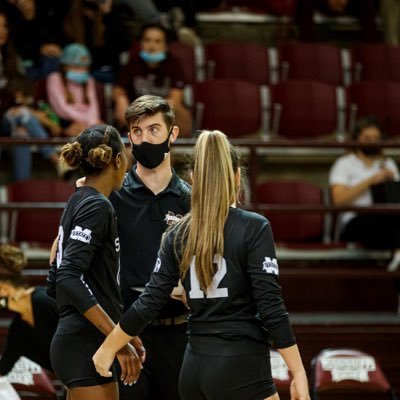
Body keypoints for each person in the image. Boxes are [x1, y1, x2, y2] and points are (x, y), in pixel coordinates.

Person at [93, 129, 311, 400]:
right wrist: (299, 373)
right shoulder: (254, 227)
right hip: (240, 364)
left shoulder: (176, 233)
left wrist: (108, 347)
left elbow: (149, 301)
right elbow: (271, 307)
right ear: (236, 177)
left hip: (193, 366)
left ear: (193, 179)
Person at [46, 124, 143, 400]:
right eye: (126, 155)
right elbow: (66, 277)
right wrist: (116, 338)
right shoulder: (96, 206)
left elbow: (54, 281)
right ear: (116, 160)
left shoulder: (78, 199)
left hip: (79, 339)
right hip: (83, 342)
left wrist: (120, 335)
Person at [109, 94, 190, 400]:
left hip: (179, 332)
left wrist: (190, 288)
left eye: (154, 129)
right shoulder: (112, 197)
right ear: (128, 137)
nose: (144, 138)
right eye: (137, 131)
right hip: (127, 332)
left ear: (173, 134)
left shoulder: (191, 200)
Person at [329, 116, 400, 271]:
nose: (372, 142)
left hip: (387, 215)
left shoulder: (388, 163)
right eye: (366, 138)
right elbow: (338, 200)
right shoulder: (345, 163)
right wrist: (369, 181)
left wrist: (390, 182)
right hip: (356, 218)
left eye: (376, 138)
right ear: (356, 139)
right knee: (372, 227)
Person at [113, 23, 192, 137]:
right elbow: (118, 90)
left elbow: (175, 97)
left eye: (157, 41)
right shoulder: (132, 63)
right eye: (147, 40)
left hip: (164, 116)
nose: (152, 45)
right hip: (137, 117)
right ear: (141, 43)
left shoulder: (174, 64)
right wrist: (121, 99)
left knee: (178, 110)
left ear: (166, 46)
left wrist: (154, 118)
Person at [0, 243, 58, 376]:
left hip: (90, 370)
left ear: (4, 287)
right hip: (70, 380)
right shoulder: (19, 327)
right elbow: (4, 367)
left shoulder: (45, 300)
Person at [46, 43, 103, 137]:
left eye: (85, 67)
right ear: (64, 66)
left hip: (88, 122)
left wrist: (93, 123)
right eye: (76, 67)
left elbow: (93, 107)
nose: (81, 71)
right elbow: (61, 108)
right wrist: (87, 123)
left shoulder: (89, 80)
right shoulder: (54, 78)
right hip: (65, 122)